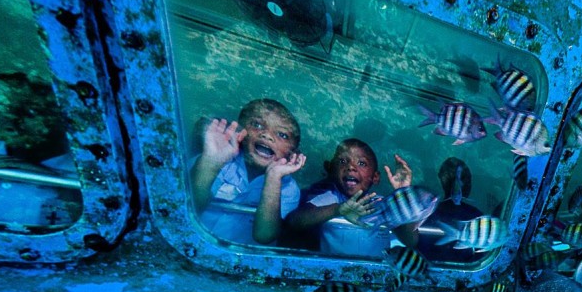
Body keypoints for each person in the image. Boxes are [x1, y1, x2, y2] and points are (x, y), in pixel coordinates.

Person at [190, 98, 306, 245]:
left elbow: (264, 235)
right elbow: (188, 206)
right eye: (257, 125)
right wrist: (211, 163)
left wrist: (273, 177)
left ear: (292, 152)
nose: (267, 135)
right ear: (241, 133)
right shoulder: (216, 158)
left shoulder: (288, 188)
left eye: (282, 135)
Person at [283, 138, 419, 257]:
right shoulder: (330, 199)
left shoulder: (382, 204)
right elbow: (294, 221)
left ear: (375, 177)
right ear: (332, 170)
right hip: (335, 274)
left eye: (361, 163)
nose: (350, 167)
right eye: (343, 161)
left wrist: (404, 193)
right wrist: (338, 210)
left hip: (376, 274)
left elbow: (410, 240)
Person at [417, 157, 486, 263]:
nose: (457, 186)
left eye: (461, 179)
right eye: (453, 180)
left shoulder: (427, 213)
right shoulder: (477, 216)